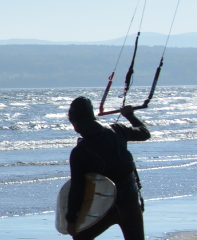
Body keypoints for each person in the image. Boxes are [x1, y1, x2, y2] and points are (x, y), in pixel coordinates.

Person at [64, 97, 150, 240]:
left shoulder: (79, 152)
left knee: (80, 237)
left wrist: (71, 220)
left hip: (105, 208)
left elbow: (77, 189)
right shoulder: (118, 130)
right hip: (131, 204)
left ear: (76, 122)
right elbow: (144, 133)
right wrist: (129, 115)